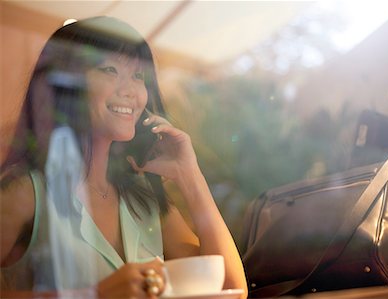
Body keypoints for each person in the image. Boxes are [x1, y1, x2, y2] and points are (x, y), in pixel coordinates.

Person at [0, 16, 248, 298]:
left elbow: (231, 289)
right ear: (65, 84)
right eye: (109, 69)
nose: (130, 90)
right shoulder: (25, 192)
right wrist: (94, 294)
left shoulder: (143, 199)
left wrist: (190, 176)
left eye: (138, 75)